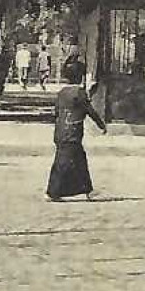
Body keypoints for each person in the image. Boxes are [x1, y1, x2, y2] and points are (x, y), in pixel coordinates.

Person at [47, 56, 105, 201]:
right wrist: (101, 125)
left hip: (61, 131)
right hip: (72, 133)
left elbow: (55, 112)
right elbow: (89, 110)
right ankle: (53, 191)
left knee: (78, 160)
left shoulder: (62, 92)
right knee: (64, 162)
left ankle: (87, 190)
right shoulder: (79, 93)